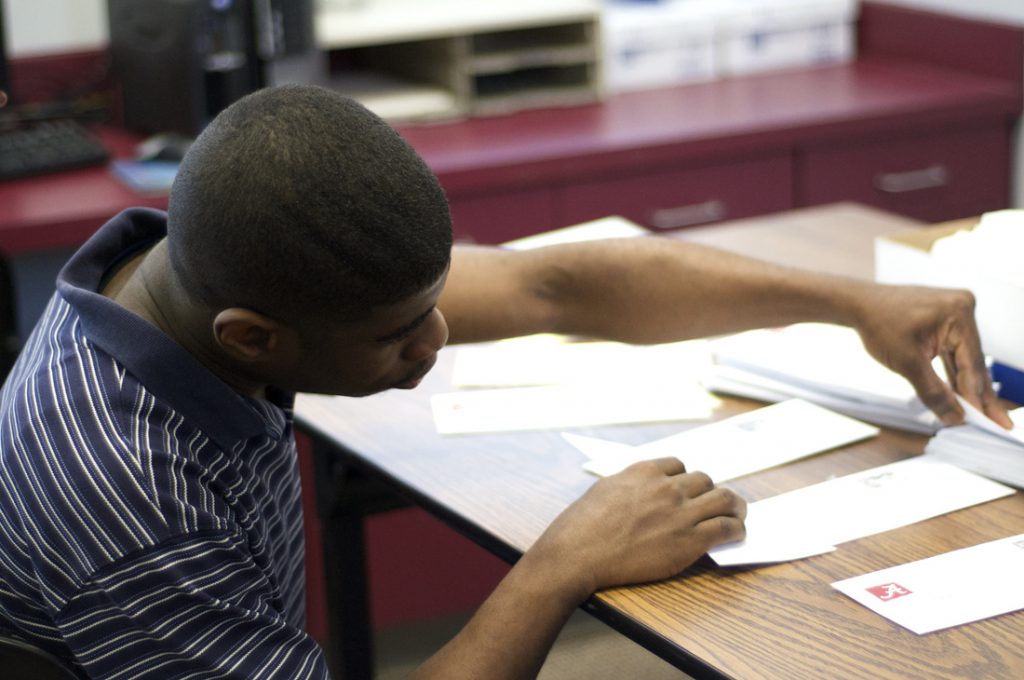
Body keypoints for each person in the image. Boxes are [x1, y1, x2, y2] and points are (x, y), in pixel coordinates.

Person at [0, 84, 1008, 679]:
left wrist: (849, 300)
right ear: (254, 336)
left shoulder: (175, 274)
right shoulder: (131, 497)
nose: (438, 338)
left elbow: (552, 284)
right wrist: (558, 563)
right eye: (399, 335)